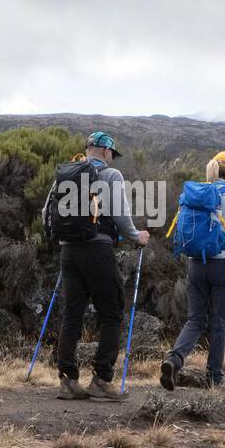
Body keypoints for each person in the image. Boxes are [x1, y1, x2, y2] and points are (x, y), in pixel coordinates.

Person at [53, 131, 149, 401]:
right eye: (112, 154)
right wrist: (136, 236)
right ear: (106, 152)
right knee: (111, 313)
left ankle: (68, 380)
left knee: (72, 314)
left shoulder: (65, 172)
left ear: (87, 149)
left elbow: (45, 214)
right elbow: (119, 214)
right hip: (98, 249)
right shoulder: (111, 175)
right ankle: (101, 380)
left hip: (68, 250)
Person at [160, 150, 225, 390]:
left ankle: (174, 359)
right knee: (220, 322)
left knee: (195, 319)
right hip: (222, 265)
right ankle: (214, 378)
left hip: (195, 263)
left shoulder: (196, 193)